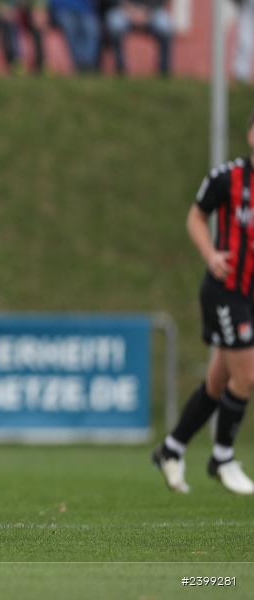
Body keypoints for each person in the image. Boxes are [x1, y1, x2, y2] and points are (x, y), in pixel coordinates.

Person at [151, 114, 254, 497]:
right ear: (249, 134)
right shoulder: (227, 178)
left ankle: (171, 449)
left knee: (218, 382)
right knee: (246, 376)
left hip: (250, 294)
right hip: (226, 290)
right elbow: (196, 217)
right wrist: (211, 254)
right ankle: (222, 458)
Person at [101, 0, 172, 76]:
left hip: (151, 11)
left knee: (164, 25)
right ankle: (120, 66)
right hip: (124, 10)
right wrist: (130, 10)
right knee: (115, 22)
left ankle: (164, 67)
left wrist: (146, 12)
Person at [0, 0, 47, 74]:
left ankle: (40, 64)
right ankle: (13, 61)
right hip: (0, 15)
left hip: (21, 14)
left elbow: (38, 3)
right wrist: (1, 10)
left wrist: (38, 10)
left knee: (37, 28)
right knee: (9, 27)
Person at [49, 0, 100, 73]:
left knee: (92, 29)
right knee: (70, 27)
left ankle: (88, 63)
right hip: (62, 9)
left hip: (85, 10)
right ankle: (78, 63)